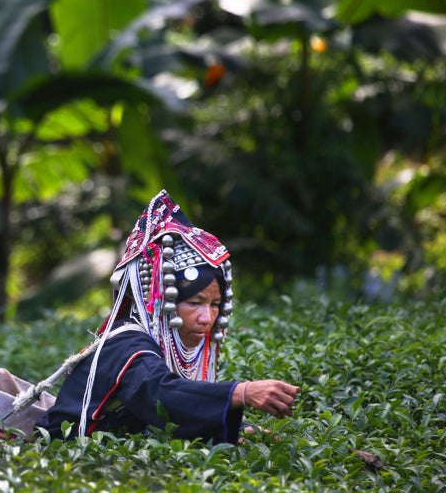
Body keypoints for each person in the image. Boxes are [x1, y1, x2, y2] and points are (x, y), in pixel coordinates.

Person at [35, 189, 300, 444]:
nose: (207, 318)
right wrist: (242, 392)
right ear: (163, 303)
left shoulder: (163, 345)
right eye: (195, 302)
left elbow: (173, 413)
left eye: (215, 304)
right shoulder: (128, 344)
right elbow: (159, 394)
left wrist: (240, 429)